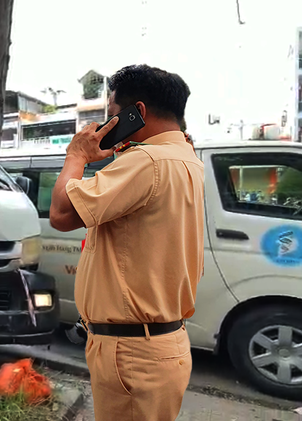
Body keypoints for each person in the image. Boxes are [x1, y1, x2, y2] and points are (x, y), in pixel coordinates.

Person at [49, 64, 204, 421]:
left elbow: (60, 214)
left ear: (139, 112)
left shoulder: (147, 161)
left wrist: (77, 156)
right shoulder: (186, 159)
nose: (109, 124)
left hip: (134, 352)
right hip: (158, 345)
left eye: (113, 115)